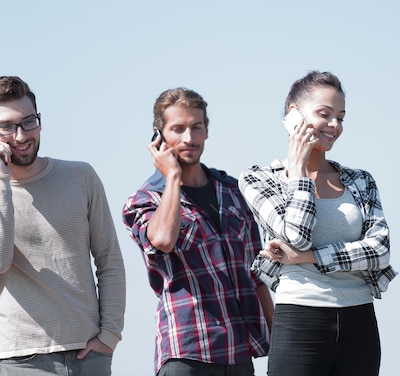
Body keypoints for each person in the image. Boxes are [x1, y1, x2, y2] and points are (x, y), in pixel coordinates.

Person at [238, 71, 397, 376]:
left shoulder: (361, 180)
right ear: (293, 116)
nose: (335, 126)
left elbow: (379, 251)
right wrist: (298, 172)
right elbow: (297, 236)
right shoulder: (259, 178)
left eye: (341, 117)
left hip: (359, 320)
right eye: (324, 114)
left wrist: (309, 258)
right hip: (300, 320)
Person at [122, 87, 272, 376]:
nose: (189, 138)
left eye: (196, 127)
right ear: (159, 135)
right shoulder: (144, 201)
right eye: (178, 129)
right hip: (188, 352)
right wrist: (173, 177)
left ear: (206, 131)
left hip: (240, 350)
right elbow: (163, 240)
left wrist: (278, 338)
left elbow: (258, 273)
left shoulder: (232, 191)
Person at [0, 76, 126, 375]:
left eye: (29, 122)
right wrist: (2, 182)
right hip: (20, 358)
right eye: (6, 126)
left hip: (89, 356)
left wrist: (110, 336)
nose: (20, 136)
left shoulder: (81, 176)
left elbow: (109, 259)